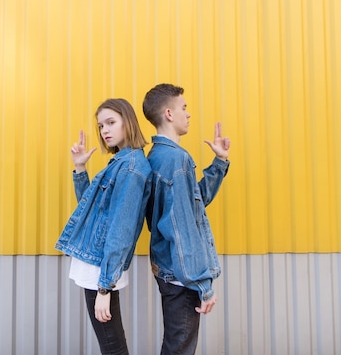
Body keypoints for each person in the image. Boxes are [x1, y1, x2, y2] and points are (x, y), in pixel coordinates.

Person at [55, 98, 152, 355]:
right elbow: (92, 213)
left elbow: (121, 230)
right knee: (111, 345)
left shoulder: (131, 168)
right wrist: (80, 168)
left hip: (101, 267)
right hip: (98, 263)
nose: (104, 131)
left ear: (128, 122)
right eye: (100, 125)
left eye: (111, 122)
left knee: (112, 347)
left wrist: (104, 287)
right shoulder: (122, 162)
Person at [142, 83, 231, 355]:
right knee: (179, 350)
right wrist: (203, 284)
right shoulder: (177, 160)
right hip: (182, 276)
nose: (188, 114)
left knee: (175, 346)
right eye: (184, 108)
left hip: (170, 269)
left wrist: (219, 162)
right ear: (169, 113)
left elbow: (194, 204)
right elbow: (182, 230)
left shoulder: (158, 156)